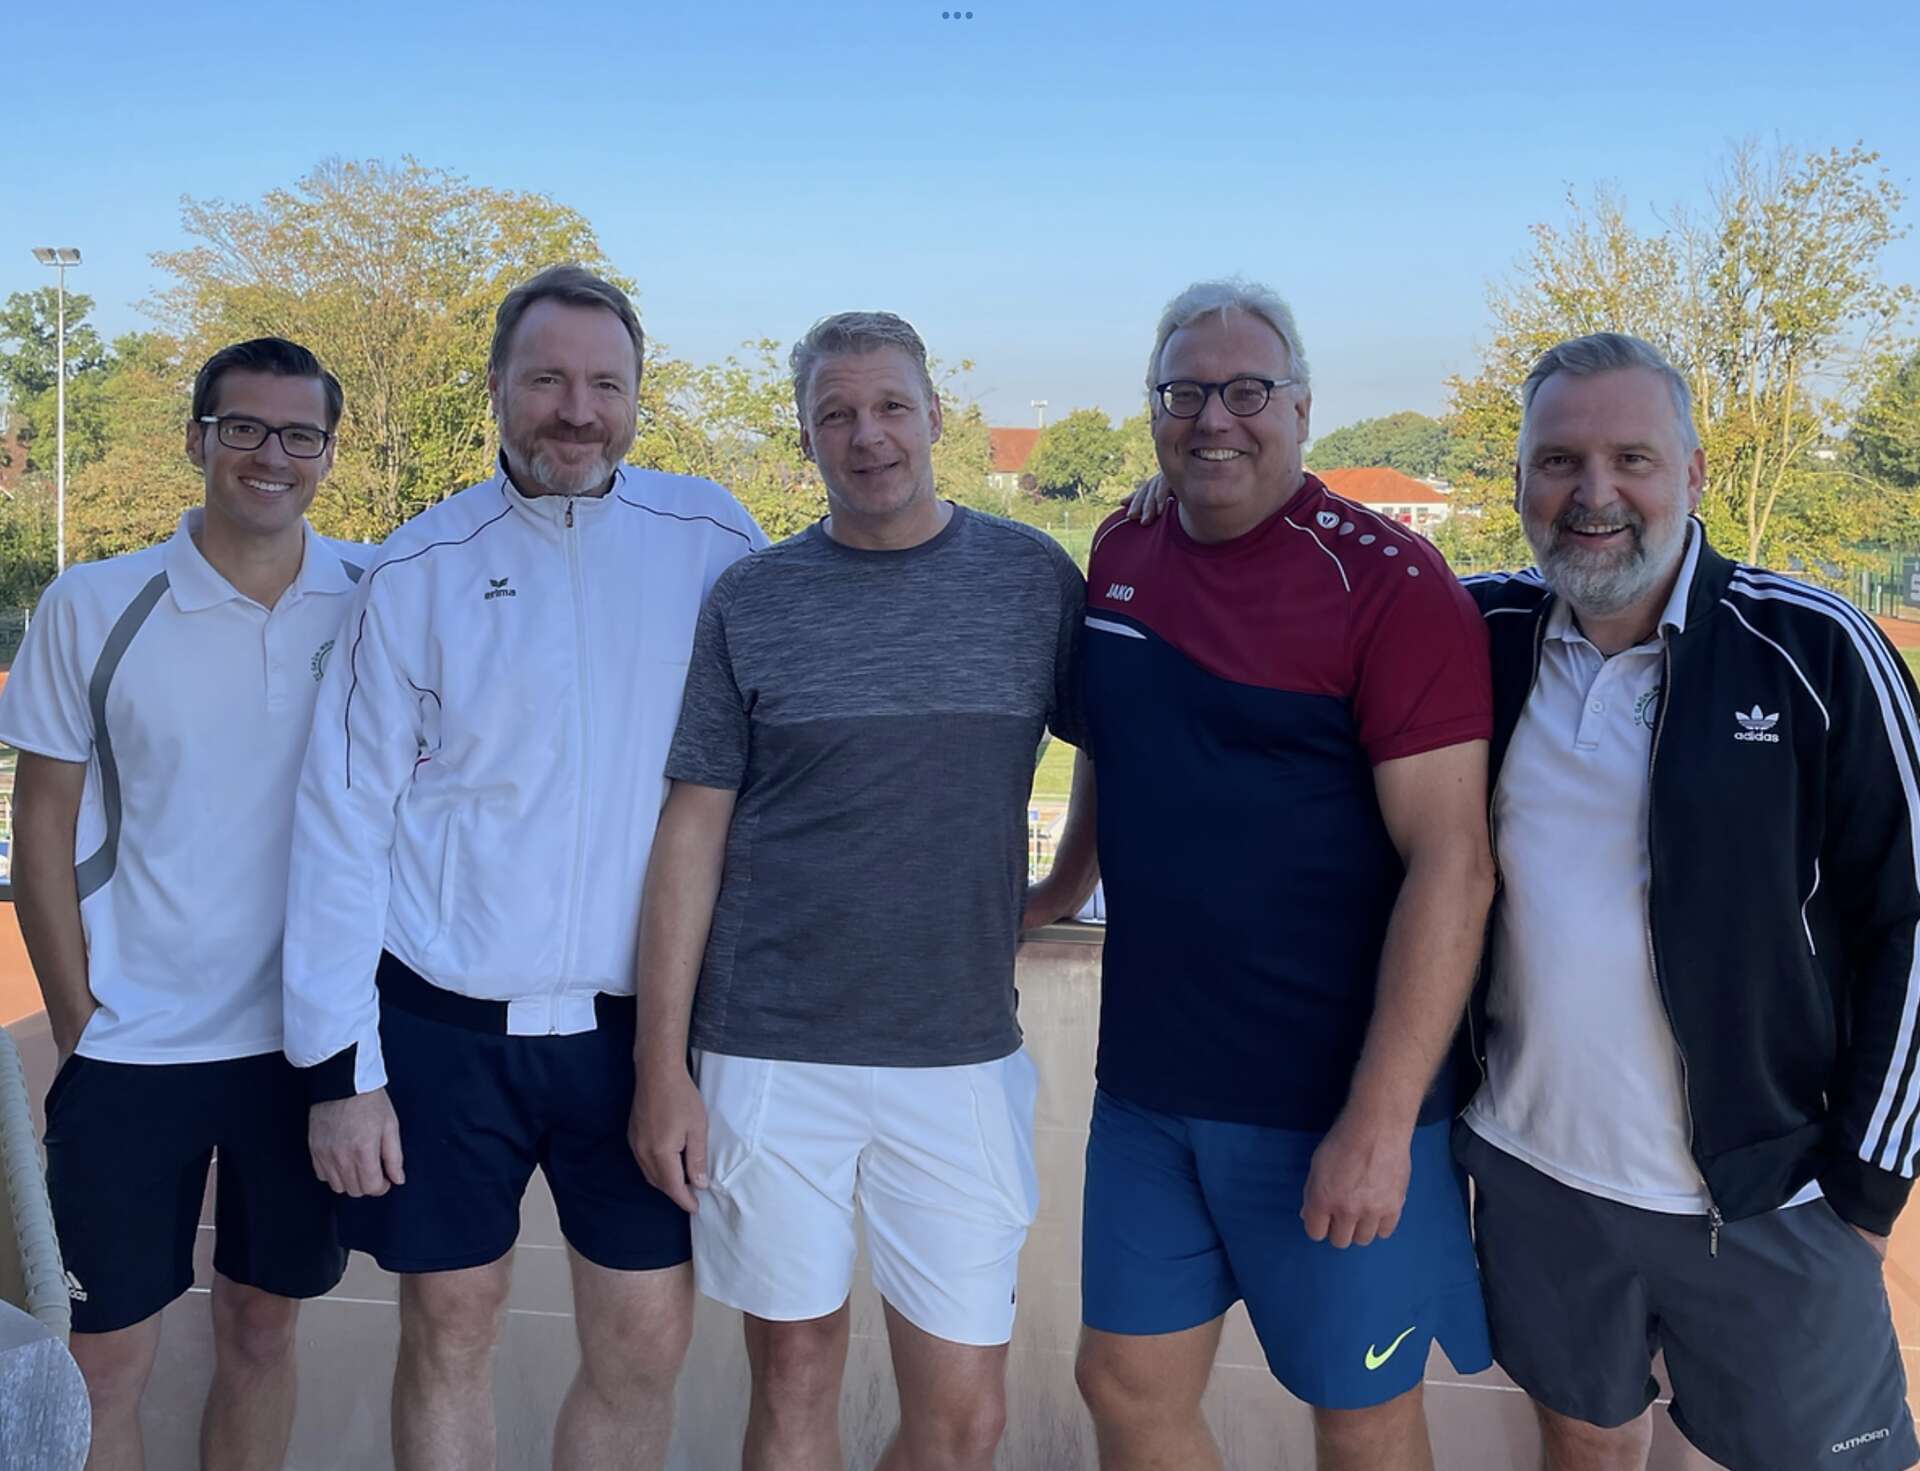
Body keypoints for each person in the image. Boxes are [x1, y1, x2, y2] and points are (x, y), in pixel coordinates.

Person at [280, 265, 764, 1471]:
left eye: (605, 384)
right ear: (496, 386)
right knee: (451, 1325)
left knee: (645, 1340)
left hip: (640, 1038)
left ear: (639, 395)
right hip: (445, 1032)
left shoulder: (715, 540)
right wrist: (342, 1072)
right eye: (547, 379)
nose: (577, 411)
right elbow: (342, 825)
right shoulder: (418, 568)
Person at [1032, 279, 1496, 1471]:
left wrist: (1380, 1120)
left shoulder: (1393, 583)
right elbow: (1116, 738)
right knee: (1123, 1384)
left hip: (1328, 1100)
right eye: (1184, 392)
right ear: (1153, 410)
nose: (1214, 418)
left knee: (1362, 1417)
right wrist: (1062, 883)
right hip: (1149, 1089)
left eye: (1248, 391)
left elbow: (1453, 864)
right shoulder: (1122, 544)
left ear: (1301, 407)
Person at [1455, 331, 1920, 1471]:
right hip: (1533, 1174)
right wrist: (1181, 494)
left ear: (1696, 474)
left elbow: (1912, 919)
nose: (1594, 493)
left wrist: (1864, 1191)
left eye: (1633, 459)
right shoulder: (1480, 636)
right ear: (1517, 481)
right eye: (1559, 461)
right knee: (1583, 1439)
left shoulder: (1816, 648)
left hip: (1771, 1193)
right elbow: (1314, 594)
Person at [629, 310, 1084, 1471]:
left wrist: (1061, 883)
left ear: (937, 417)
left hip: (961, 1050)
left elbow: (1109, 749)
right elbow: (692, 827)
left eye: (890, 407)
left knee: (964, 1419)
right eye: (835, 413)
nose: (867, 435)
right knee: (793, 1376)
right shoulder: (753, 598)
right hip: (769, 1052)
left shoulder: (1032, 578)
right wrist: (661, 1066)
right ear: (805, 437)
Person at [2, 337, 358, 1471]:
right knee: (102, 1361)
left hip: (302, 1046)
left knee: (261, 1327)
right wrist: (77, 1017)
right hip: (132, 1048)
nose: (270, 455)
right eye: (243, 427)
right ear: (198, 437)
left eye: (298, 434)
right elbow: (41, 823)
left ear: (327, 453)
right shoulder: (94, 602)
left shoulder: (373, 595)